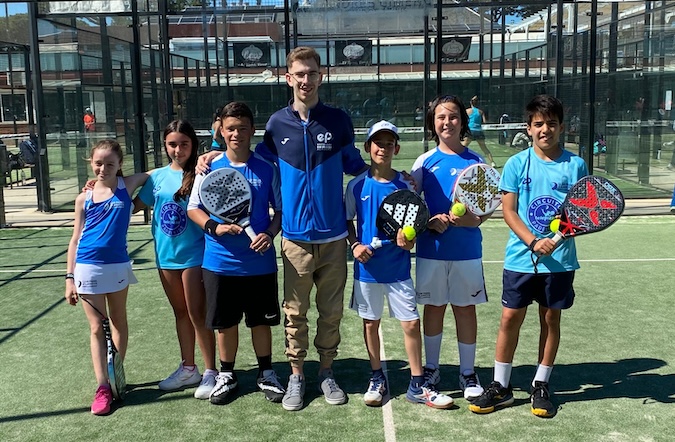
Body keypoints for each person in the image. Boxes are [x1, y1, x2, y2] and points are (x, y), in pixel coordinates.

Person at [198, 47, 369, 411]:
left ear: (321, 76)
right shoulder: (277, 124)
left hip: (334, 238)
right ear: (288, 78)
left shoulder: (338, 121)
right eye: (299, 74)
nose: (306, 80)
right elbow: (248, 152)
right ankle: (295, 375)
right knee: (294, 313)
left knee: (331, 312)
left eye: (312, 73)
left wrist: (392, 176)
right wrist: (213, 151)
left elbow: (355, 164)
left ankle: (326, 372)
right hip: (293, 239)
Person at [469, 94, 588, 418]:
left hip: (560, 261)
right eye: (538, 124)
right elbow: (508, 211)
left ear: (561, 127)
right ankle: (501, 386)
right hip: (521, 258)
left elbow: (580, 212)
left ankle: (541, 383)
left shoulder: (576, 165)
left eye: (551, 123)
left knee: (551, 319)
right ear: (529, 127)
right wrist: (535, 242)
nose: (545, 129)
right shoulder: (517, 164)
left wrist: (557, 238)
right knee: (510, 318)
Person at [345, 120, 454, 409]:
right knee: (371, 323)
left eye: (389, 143)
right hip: (367, 271)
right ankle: (377, 377)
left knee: (411, 323)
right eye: (378, 143)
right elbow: (347, 222)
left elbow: (411, 224)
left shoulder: (407, 184)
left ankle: (417, 384)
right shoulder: (356, 186)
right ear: (368, 147)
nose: (383, 148)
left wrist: (411, 238)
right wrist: (355, 245)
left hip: (398, 269)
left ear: (397, 147)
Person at [187, 102, 286, 405]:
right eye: (231, 128)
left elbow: (280, 212)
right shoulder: (208, 168)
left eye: (243, 128)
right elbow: (194, 209)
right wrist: (214, 228)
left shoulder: (267, 169)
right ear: (221, 130)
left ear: (252, 130)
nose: (237, 134)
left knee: (261, 322)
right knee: (225, 324)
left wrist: (269, 234)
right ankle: (227, 375)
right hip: (219, 264)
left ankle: (266, 373)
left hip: (260, 263)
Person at [410, 95, 490, 403]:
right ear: (433, 123)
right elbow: (412, 205)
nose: (447, 122)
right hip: (432, 251)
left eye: (453, 117)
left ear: (463, 121)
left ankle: (468, 372)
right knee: (434, 307)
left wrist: (467, 219)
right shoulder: (424, 162)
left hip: (467, 252)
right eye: (441, 117)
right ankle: (431, 368)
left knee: (465, 308)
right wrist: (430, 220)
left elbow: (483, 213)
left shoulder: (476, 163)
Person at [64, 139, 151, 415]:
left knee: (119, 321)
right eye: (99, 163)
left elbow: (155, 174)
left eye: (110, 163)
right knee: (95, 327)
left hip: (117, 267)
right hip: (87, 267)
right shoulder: (84, 198)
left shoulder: (126, 186)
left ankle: (116, 375)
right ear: (91, 163)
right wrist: (69, 277)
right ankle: (102, 386)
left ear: (120, 165)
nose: (104, 168)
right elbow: (75, 239)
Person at [133, 120, 217, 399]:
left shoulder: (204, 170)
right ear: (165, 146)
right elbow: (134, 205)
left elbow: (224, 153)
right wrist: (99, 188)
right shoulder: (156, 177)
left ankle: (210, 371)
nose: (178, 150)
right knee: (180, 312)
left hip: (195, 254)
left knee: (197, 313)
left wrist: (211, 154)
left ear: (193, 145)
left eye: (184, 144)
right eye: (172, 144)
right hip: (165, 256)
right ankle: (188, 368)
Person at [465, 96, 496, 167]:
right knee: (484, 148)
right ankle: (492, 162)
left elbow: (464, 120)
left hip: (471, 131)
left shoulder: (467, 111)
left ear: (470, 103)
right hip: (479, 131)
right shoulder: (481, 112)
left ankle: (459, 162)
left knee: (462, 147)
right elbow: (485, 121)